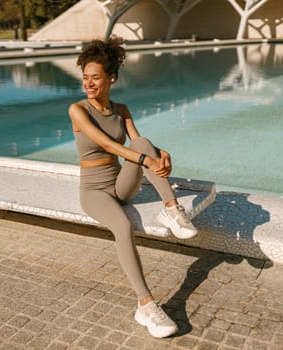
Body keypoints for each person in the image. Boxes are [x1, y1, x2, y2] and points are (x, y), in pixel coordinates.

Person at [68, 36, 198, 338]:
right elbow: (105, 143)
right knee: (123, 227)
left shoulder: (122, 109)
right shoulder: (78, 110)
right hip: (95, 193)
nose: (88, 83)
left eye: (95, 78)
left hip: (119, 185)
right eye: (85, 78)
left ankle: (171, 209)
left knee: (142, 142)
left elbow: (139, 144)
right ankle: (146, 305)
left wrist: (161, 154)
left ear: (111, 78)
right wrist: (146, 159)